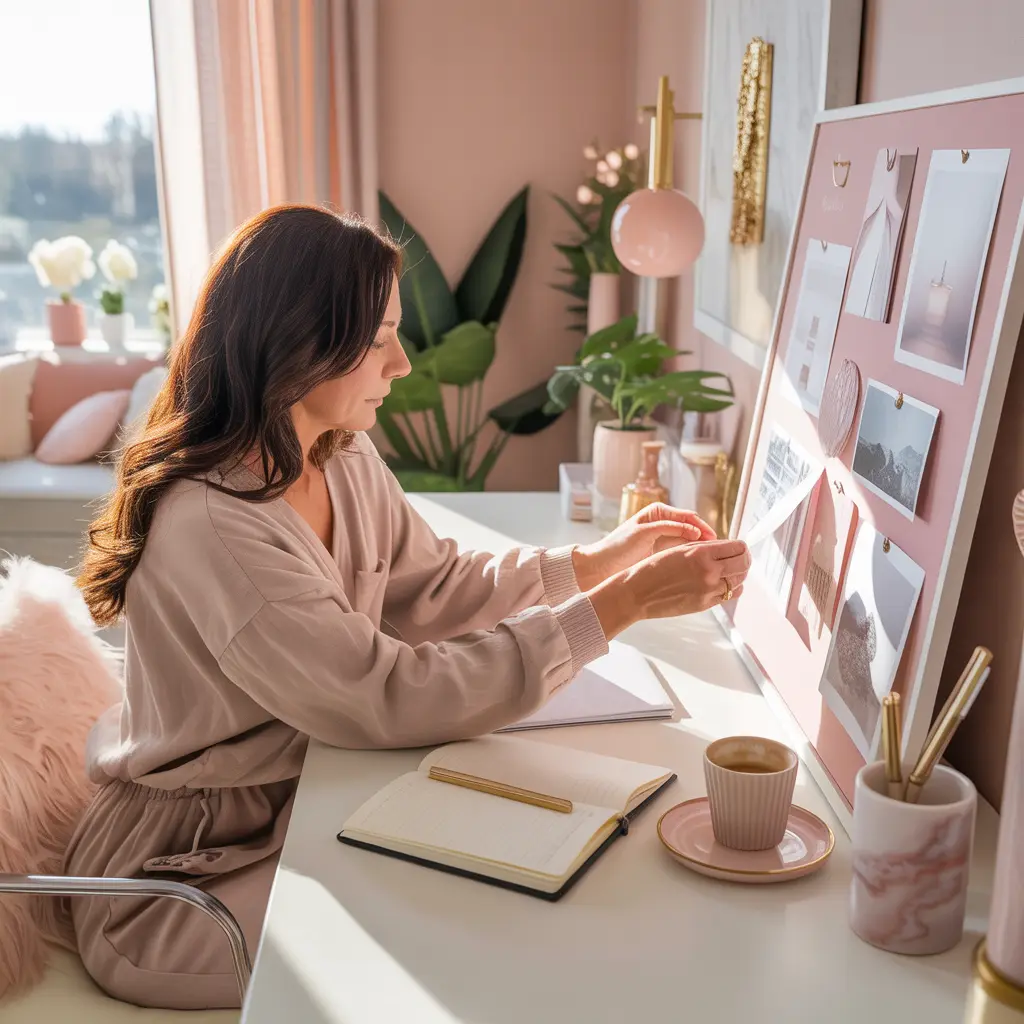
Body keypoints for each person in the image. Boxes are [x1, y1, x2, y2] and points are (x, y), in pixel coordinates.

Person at [69, 204, 750, 1010]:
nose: (400, 362)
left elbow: (434, 588)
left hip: (303, 798)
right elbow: (383, 694)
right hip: (185, 880)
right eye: (379, 337)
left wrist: (597, 562)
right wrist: (618, 607)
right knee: (456, 937)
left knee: (530, 883)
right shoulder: (215, 525)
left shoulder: (335, 451)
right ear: (298, 345)